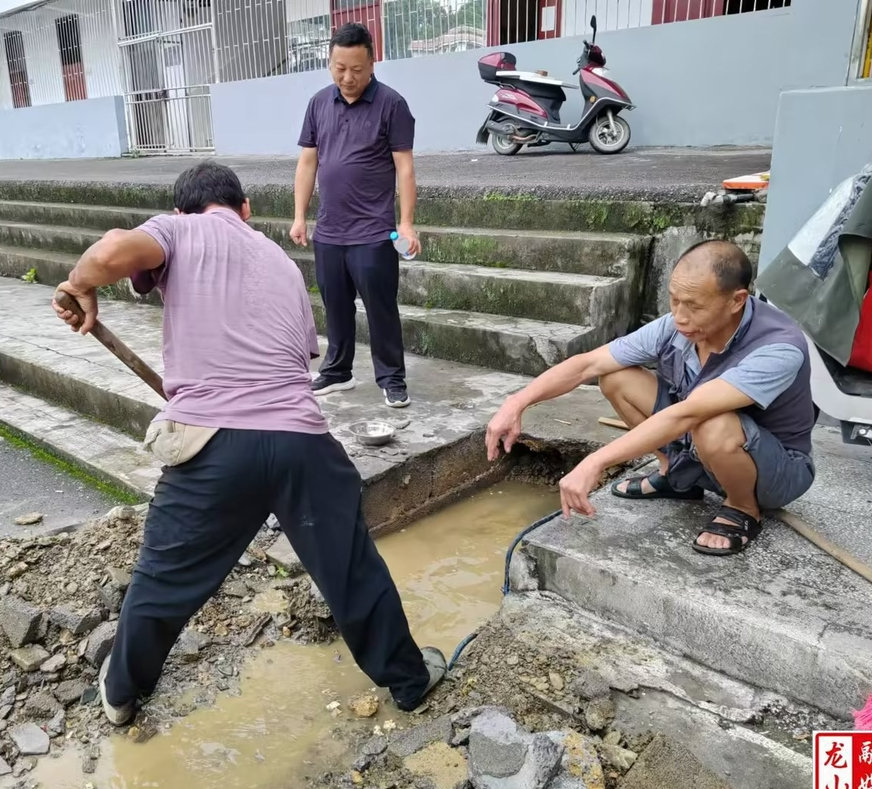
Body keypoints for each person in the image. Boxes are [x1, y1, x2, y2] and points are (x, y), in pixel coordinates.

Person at [51, 161, 446, 726]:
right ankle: (409, 680)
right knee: (351, 570)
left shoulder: (177, 229)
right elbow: (296, 357)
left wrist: (79, 285)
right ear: (246, 211)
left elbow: (113, 250)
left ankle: (120, 694)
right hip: (303, 442)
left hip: (214, 446)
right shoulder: (282, 262)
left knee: (164, 581)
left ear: (183, 210)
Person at [485, 240, 816, 556]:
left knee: (712, 422)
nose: (680, 316)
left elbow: (687, 415)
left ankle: (743, 507)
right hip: (700, 441)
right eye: (674, 300)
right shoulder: (677, 325)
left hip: (775, 469)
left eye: (695, 306)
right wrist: (516, 403)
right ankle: (675, 474)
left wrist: (595, 462)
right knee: (617, 377)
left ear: (736, 300)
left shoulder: (778, 348)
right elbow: (588, 364)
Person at [290, 21, 418, 409]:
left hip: (373, 232)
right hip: (329, 231)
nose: (347, 77)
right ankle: (337, 371)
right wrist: (300, 216)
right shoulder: (318, 103)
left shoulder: (392, 104)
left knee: (380, 309)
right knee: (335, 305)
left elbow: (405, 168)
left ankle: (392, 378)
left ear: (372, 63)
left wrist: (406, 223)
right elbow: (307, 162)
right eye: (339, 68)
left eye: (356, 69)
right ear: (330, 63)